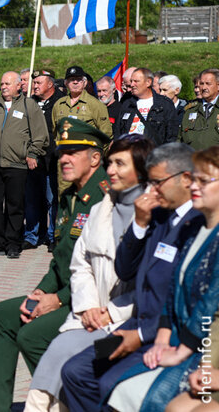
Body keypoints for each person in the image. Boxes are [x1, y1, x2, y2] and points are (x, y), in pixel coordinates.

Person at [0, 118, 109, 412]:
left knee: (32, 335)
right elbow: (60, 259)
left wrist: (57, 300)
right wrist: (39, 292)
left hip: (92, 304)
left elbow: (103, 272)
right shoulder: (70, 196)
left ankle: (71, 401)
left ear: (96, 158)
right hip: (62, 294)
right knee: (1, 316)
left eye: (74, 152)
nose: (64, 159)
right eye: (62, 152)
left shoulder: (106, 198)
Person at [60, 142, 204, 412]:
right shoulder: (159, 215)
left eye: (158, 182)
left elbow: (182, 299)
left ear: (186, 179)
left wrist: (140, 334)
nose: (152, 189)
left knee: (109, 385)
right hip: (137, 325)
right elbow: (124, 270)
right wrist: (138, 224)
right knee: (75, 371)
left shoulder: (196, 224)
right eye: (150, 182)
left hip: (162, 335)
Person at [25, 134, 154, 411]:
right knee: (55, 354)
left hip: (127, 321)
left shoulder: (155, 215)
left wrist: (113, 312)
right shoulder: (100, 208)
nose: (110, 171)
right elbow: (80, 263)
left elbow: (152, 282)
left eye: (120, 164)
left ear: (142, 168)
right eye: (110, 163)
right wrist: (88, 306)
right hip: (90, 314)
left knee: (76, 365)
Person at [107, 146, 219, 412]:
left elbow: (210, 304)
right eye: (195, 178)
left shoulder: (197, 226)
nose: (195, 186)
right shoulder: (194, 228)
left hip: (193, 344)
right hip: (150, 330)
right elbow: (132, 273)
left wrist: (181, 348)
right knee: (80, 366)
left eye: (203, 180)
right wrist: (162, 335)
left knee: (118, 387)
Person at [0, 71, 48, 258]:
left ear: (19, 85)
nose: (4, 87)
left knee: (14, 206)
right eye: (2, 83)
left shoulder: (29, 105)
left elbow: (40, 134)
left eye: (8, 83)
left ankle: (13, 243)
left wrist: (33, 153)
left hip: (17, 165)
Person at [27, 70, 65, 250]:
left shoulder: (61, 101)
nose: (34, 86)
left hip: (52, 159)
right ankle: (31, 236)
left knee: (52, 200)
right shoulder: (29, 102)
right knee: (33, 199)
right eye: (34, 83)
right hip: (33, 160)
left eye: (38, 83)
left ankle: (52, 236)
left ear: (50, 84)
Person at [117, 67, 179, 146]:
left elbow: (171, 135)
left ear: (148, 82)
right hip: (128, 154)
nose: (132, 85)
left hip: (153, 155)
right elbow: (118, 132)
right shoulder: (127, 104)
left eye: (136, 81)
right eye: (131, 81)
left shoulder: (165, 104)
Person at [51, 65, 113, 140]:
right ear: (66, 83)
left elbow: (106, 134)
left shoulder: (95, 104)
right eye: (71, 79)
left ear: (85, 83)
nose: (75, 82)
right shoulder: (59, 104)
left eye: (79, 79)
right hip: (63, 150)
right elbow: (54, 132)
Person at [180, 69, 219, 151]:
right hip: (193, 160)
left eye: (208, 84)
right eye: (201, 84)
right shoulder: (190, 109)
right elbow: (180, 138)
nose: (204, 87)